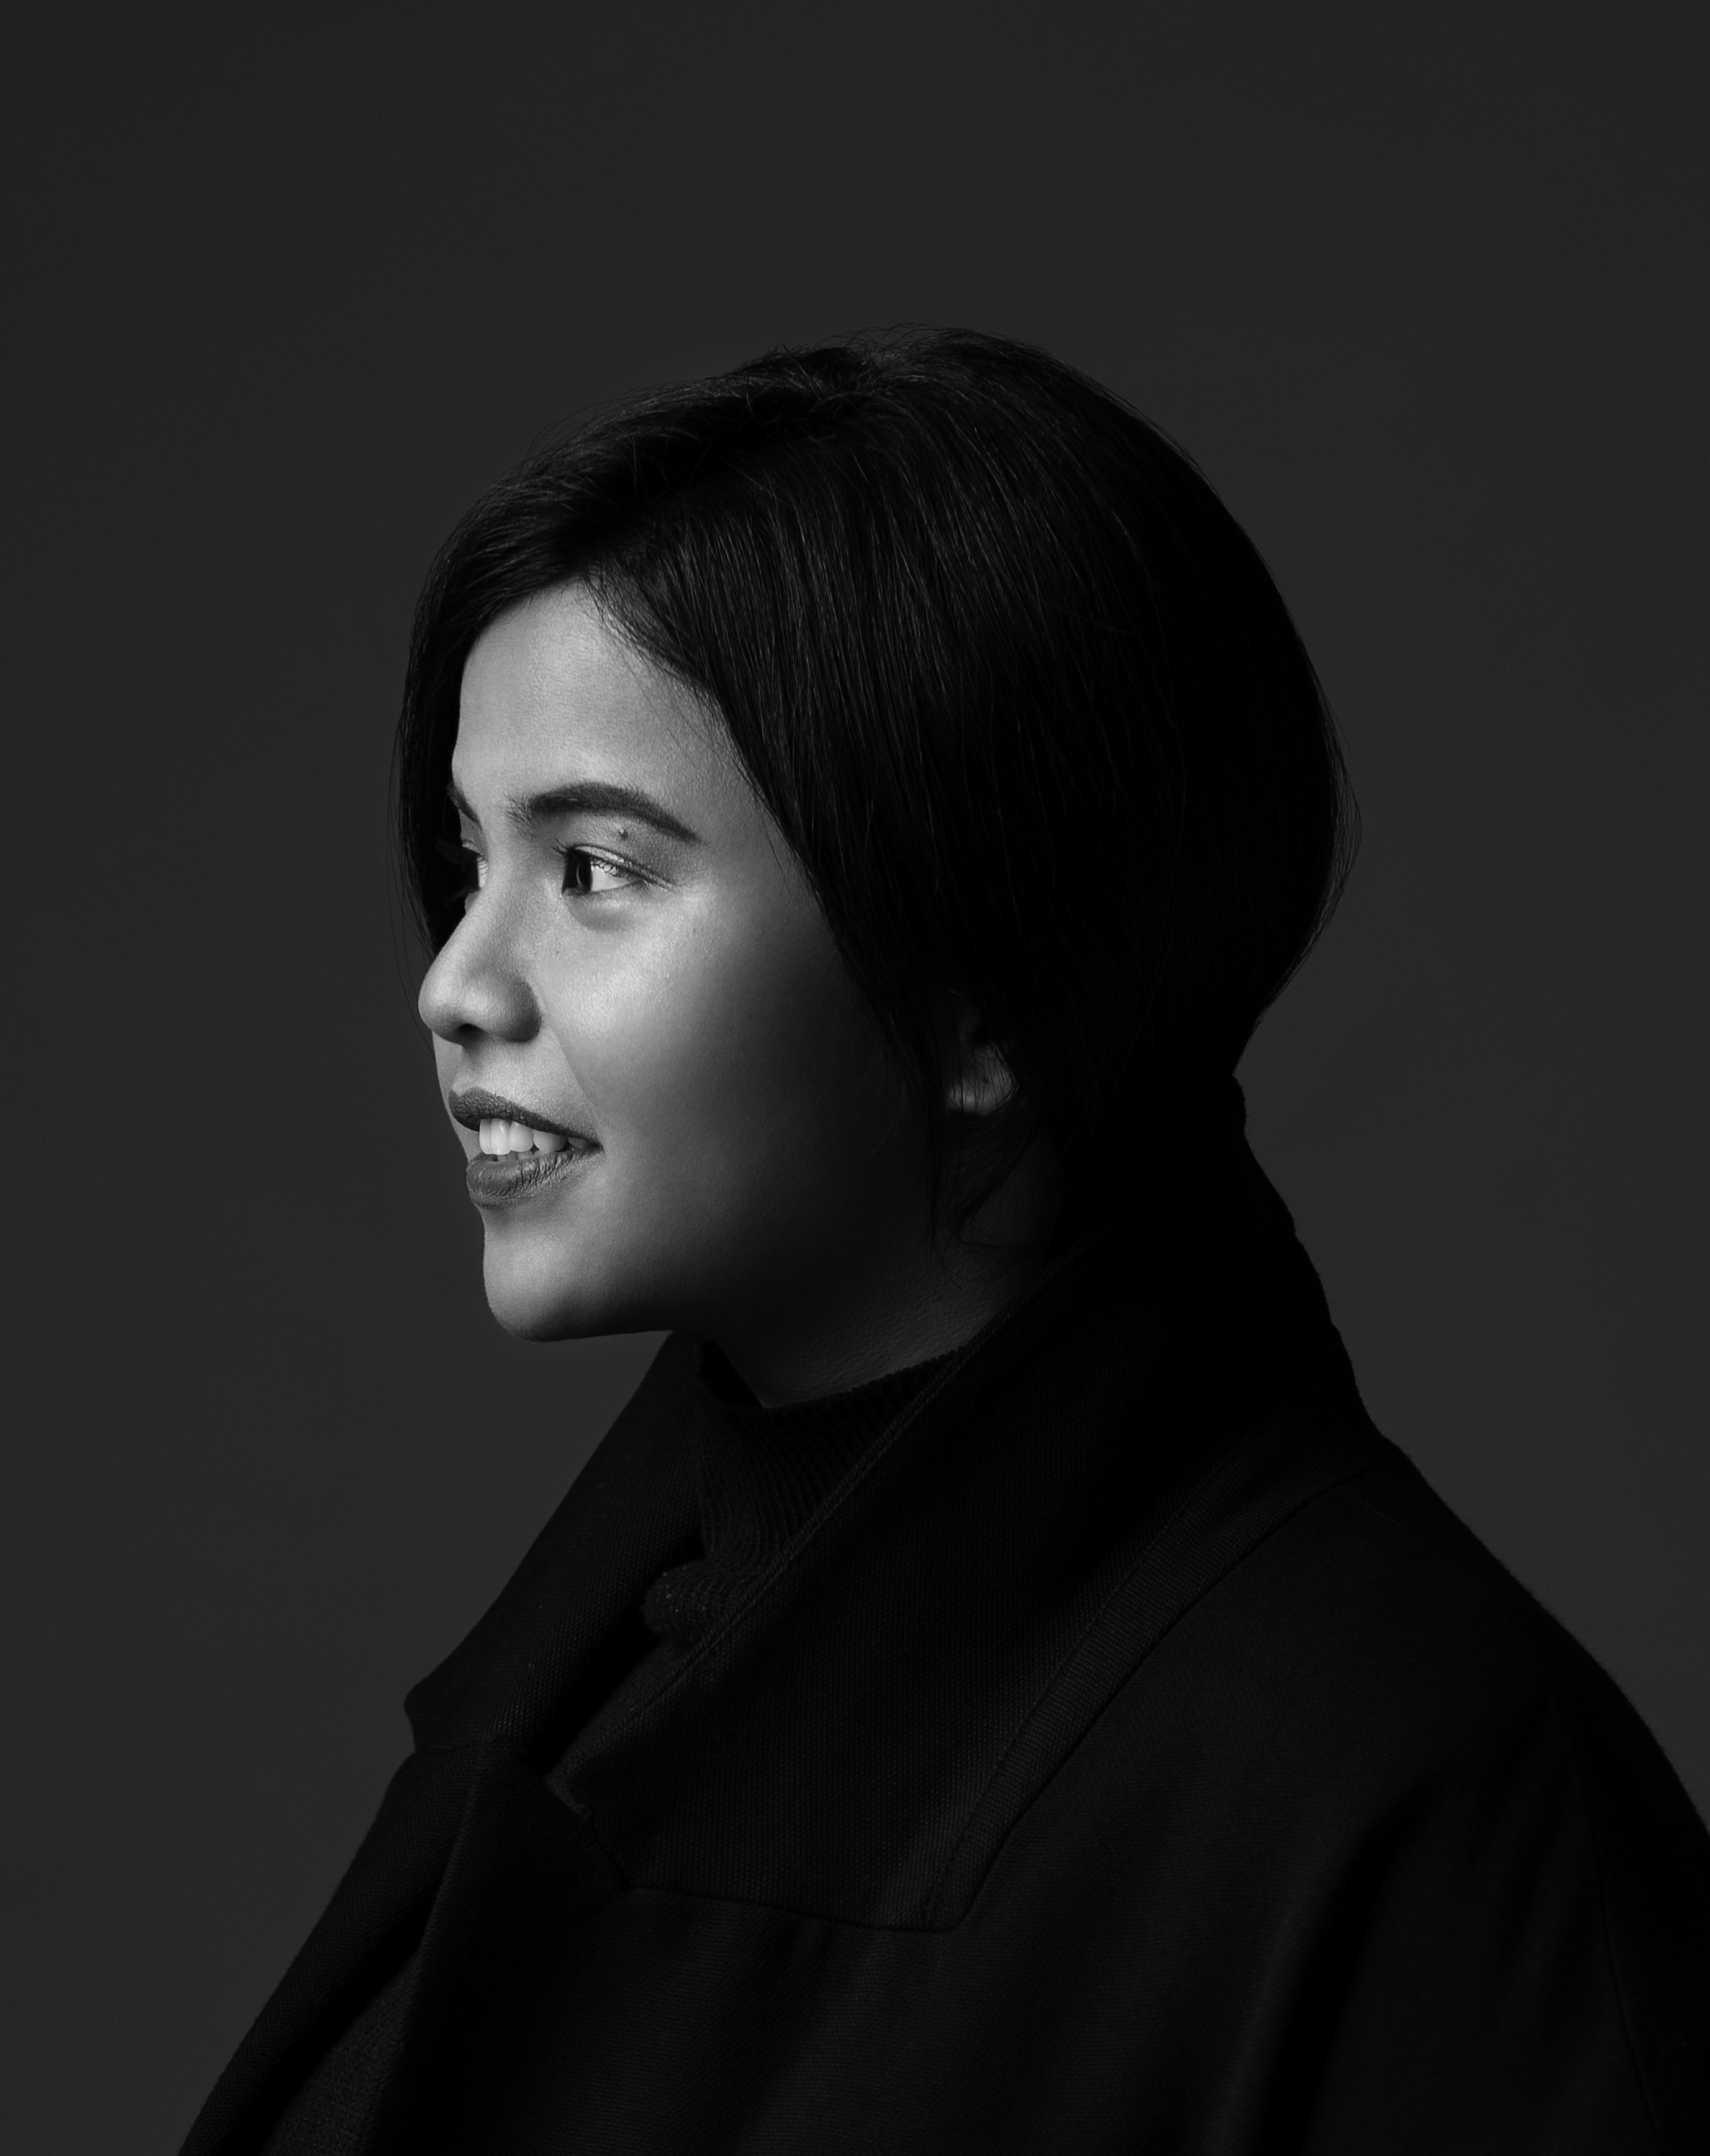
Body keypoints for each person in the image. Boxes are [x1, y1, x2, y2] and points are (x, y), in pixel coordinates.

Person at [180, 329, 1709, 2154]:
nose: (455, 983)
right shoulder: (592, 1673)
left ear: (989, 991)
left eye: (595, 869)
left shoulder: (1422, 1801)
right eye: (468, 857)